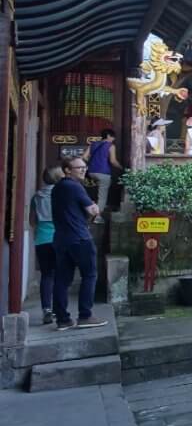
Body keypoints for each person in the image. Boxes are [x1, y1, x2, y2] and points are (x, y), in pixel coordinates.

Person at [51, 157, 105, 330]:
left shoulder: (57, 187)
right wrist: (95, 208)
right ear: (67, 170)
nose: (83, 170)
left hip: (61, 239)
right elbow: (92, 210)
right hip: (80, 238)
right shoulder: (75, 186)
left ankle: (62, 319)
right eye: (79, 168)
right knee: (89, 275)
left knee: (62, 279)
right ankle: (85, 315)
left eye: (85, 167)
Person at [30, 166, 64, 324]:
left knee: (47, 275)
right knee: (61, 275)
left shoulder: (37, 196)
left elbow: (32, 221)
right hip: (59, 237)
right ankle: (59, 310)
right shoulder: (62, 193)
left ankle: (47, 310)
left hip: (42, 239)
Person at [82, 128, 122, 222]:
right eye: (113, 137)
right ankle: (98, 216)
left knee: (93, 192)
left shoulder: (93, 144)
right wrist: (121, 168)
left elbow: (84, 157)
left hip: (91, 172)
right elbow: (113, 161)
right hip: (103, 173)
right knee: (102, 195)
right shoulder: (110, 146)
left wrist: (91, 164)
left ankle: (90, 212)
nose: (113, 139)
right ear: (108, 136)